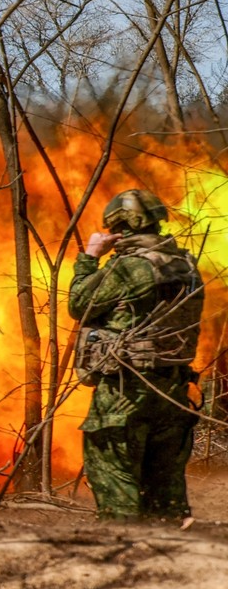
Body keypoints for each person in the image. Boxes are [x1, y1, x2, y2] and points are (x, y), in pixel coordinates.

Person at [69, 189, 204, 522]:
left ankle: (126, 550)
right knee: (165, 485)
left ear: (120, 226)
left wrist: (90, 257)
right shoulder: (185, 265)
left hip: (126, 390)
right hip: (173, 389)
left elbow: (79, 304)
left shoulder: (129, 269)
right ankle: (173, 558)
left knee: (113, 471)